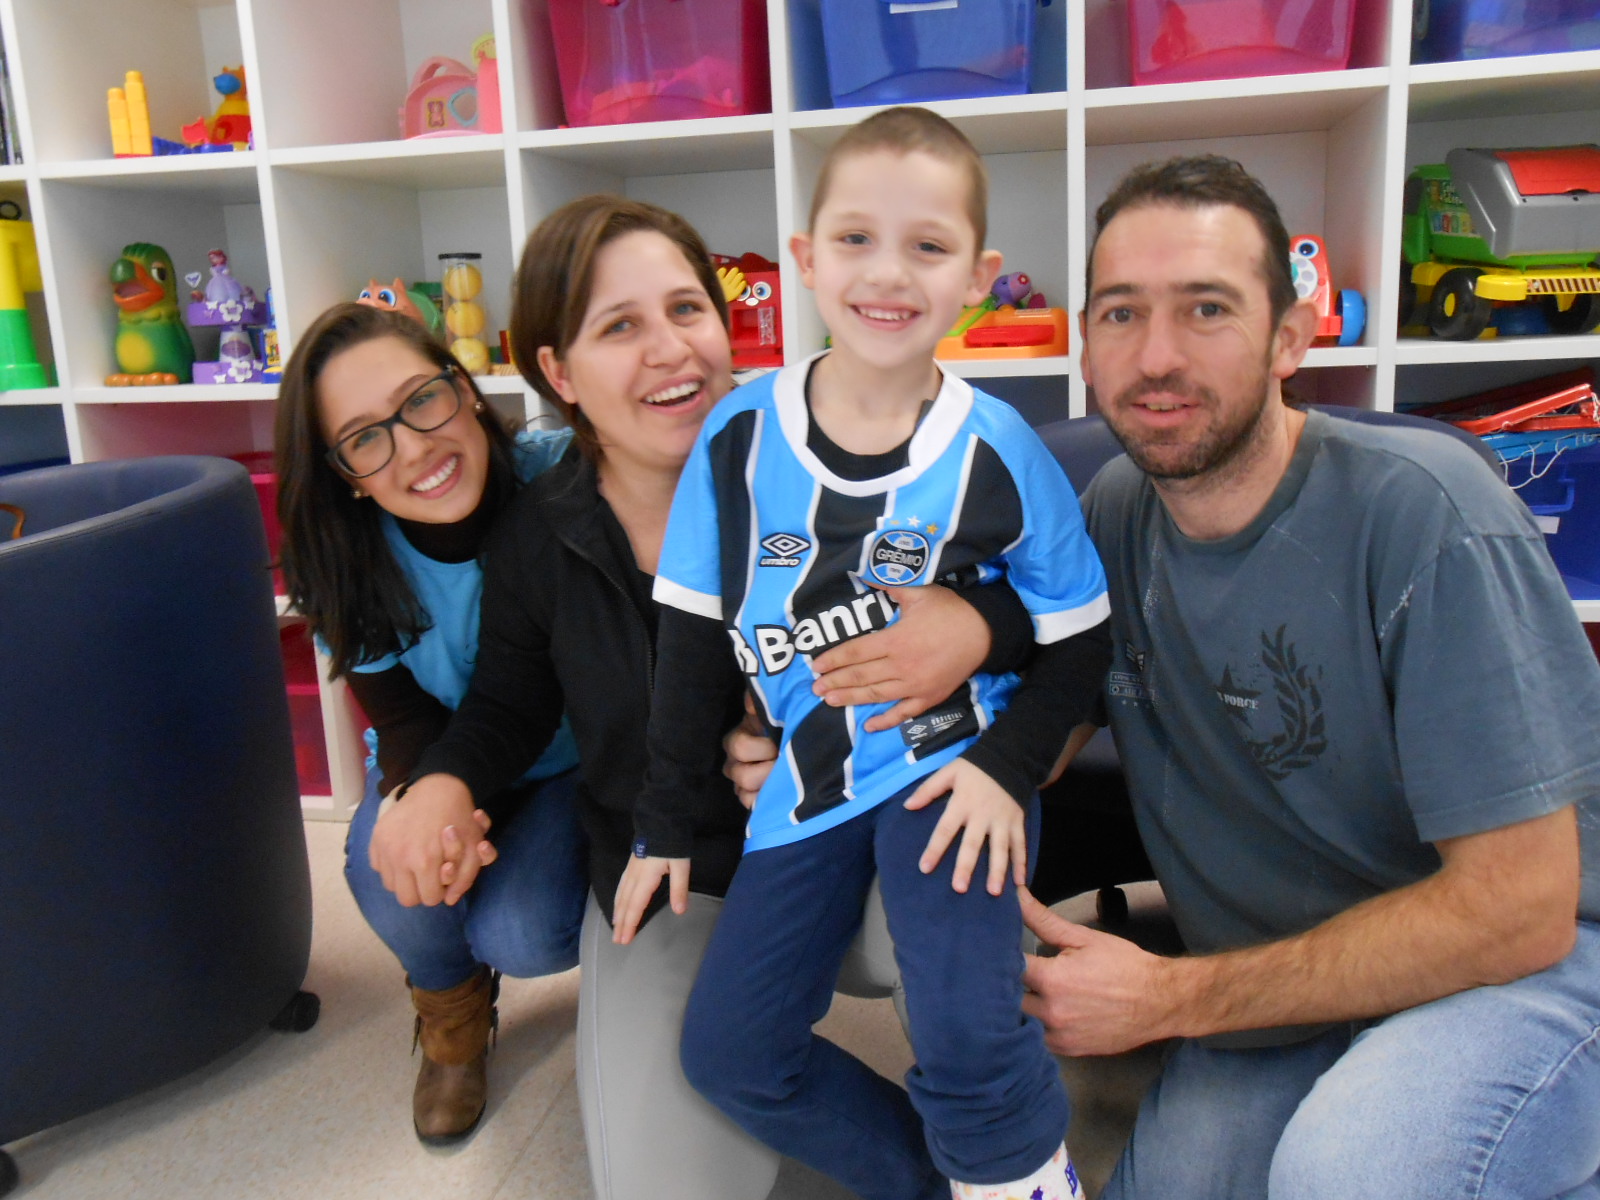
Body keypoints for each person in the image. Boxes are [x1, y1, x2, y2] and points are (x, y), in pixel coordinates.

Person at [388, 193, 1032, 1200]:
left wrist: (979, 625)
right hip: (675, 877)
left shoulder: (830, 452)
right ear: (557, 372)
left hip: (858, 836)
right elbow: (509, 705)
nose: (669, 351)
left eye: (687, 311)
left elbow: (1032, 603)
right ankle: (931, 1175)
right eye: (618, 327)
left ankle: (1006, 1157)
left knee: (961, 955)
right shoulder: (539, 533)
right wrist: (439, 780)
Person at [1015, 154, 1600, 1198]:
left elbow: (1522, 911)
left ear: (1291, 335)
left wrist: (1171, 1001)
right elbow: (1035, 731)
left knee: (1347, 1174)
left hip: (1535, 969)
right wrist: (802, 725)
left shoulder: (1429, 514)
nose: (1156, 357)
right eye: (1119, 314)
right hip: (1290, 976)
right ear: (1085, 344)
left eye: (1206, 309)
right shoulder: (1109, 513)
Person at [613, 107, 1113, 1200]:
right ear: (803, 258)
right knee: (730, 1055)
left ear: (977, 275)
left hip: (956, 766)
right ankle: (943, 1184)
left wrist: (1004, 767)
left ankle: (1024, 1185)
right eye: (854, 239)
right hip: (811, 782)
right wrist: (660, 818)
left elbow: (1081, 645)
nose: (888, 273)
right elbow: (693, 638)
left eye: (927, 246)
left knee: (965, 1025)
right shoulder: (738, 435)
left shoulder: (1001, 450)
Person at [274, 302, 588, 1143]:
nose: (415, 448)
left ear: (465, 388)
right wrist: (432, 807)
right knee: (391, 879)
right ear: (344, 470)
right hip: (447, 755)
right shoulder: (343, 552)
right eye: (366, 437)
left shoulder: (562, 475)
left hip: (574, 759)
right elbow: (399, 714)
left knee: (522, 927)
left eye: (423, 400)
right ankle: (451, 1020)